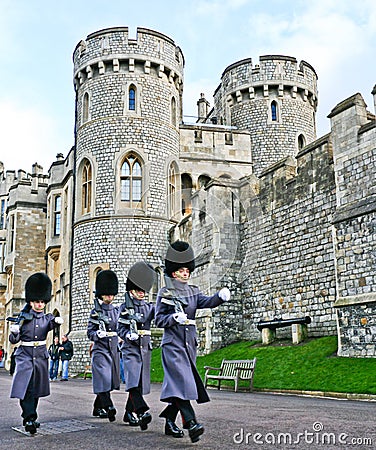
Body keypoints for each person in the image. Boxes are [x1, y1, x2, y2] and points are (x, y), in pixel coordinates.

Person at [155, 241, 231, 443]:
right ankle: (191, 423)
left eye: (187, 269)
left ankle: (169, 420)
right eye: (181, 270)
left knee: (182, 386)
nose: (185, 273)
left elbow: (206, 302)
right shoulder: (165, 293)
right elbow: (158, 319)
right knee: (182, 384)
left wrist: (220, 297)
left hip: (188, 346)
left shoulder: (194, 291)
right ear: (173, 273)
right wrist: (173, 319)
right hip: (172, 345)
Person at [8, 272, 64, 434]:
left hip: (40, 356)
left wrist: (56, 322)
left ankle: (31, 415)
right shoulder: (23, 317)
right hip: (25, 355)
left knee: (37, 388)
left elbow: (51, 324)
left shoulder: (46, 318)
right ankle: (29, 417)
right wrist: (15, 331)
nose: (39, 305)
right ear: (31, 302)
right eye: (36, 302)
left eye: (42, 302)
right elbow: (14, 340)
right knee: (25, 388)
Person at [117, 261, 156, 431]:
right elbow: (120, 328)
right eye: (139, 290)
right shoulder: (124, 307)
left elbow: (160, 316)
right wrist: (127, 335)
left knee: (138, 383)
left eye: (143, 290)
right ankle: (141, 411)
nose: (142, 293)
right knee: (133, 381)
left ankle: (128, 412)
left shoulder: (149, 307)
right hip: (131, 348)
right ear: (132, 290)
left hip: (144, 348)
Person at [87, 269, 120, 422]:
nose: (109, 297)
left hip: (113, 349)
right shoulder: (95, 311)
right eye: (107, 294)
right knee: (103, 378)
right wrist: (97, 335)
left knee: (109, 380)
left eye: (111, 294)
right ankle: (109, 406)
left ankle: (97, 407)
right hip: (100, 349)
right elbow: (90, 332)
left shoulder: (117, 311)